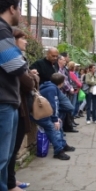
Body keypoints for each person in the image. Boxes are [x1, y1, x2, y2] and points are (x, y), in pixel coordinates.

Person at [0, 0, 30, 191]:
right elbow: (16, 66)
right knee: (2, 156)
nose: (20, 13)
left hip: (6, 100)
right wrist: (23, 63)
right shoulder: (2, 30)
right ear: (12, 8)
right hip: (4, 101)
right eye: (19, 8)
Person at [7, 28, 39, 191]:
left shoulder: (18, 58)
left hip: (20, 106)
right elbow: (28, 83)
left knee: (12, 147)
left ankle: (11, 180)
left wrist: (30, 76)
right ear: (14, 41)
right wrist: (32, 77)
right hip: (18, 107)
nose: (26, 41)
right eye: (22, 38)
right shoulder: (12, 58)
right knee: (10, 149)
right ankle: (10, 184)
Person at [33, 73, 75, 160]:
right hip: (41, 113)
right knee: (53, 127)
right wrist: (55, 119)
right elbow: (53, 104)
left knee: (58, 125)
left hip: (41, 111)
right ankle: (58, 151)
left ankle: (63, 145)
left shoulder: (48, 86)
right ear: (61, 83)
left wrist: (55, 118)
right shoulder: (52, 89)